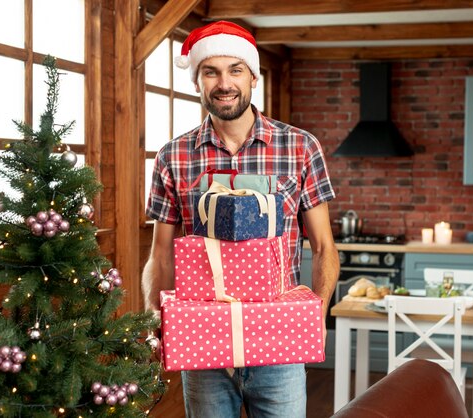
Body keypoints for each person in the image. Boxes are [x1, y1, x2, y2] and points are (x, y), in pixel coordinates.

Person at [142, 20, 339, 418]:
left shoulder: (300, 147)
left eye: (235, 70)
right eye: (210, 71)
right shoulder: (172, 157)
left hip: (279, 341)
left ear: (253, 77)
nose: (223, 82)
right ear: (197, 82)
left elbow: (323, 247)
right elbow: (160, 256)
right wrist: (154, 319)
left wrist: (313, 317)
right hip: (204, 345)